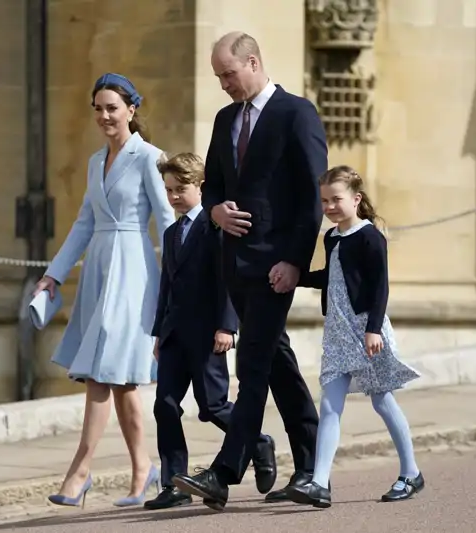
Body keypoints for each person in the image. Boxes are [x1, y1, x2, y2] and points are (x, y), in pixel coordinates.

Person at [171, 32, 324, 511]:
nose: (223, 85)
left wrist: (295, 261)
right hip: (235, 265)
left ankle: (224, 471)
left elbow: (310, 196)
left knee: (252, 363)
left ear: (253, 62)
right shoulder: (224, 119)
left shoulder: (296, 113)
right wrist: (213, 212)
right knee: (276, 360)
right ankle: (312, 465)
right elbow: (213, 184)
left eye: (228, 75)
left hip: (276, 266)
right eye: (218, 77)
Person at [35, 73, 176, 508]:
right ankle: (142, 469)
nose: (104, 115)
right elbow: (83, 223)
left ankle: (80, 471)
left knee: (100, 372)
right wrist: (53, 275)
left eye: (111, 107)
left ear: (132, 109)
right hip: (99, 268)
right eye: (97, 108)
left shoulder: (151, 158)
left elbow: (168, 220)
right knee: (121, 381)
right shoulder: (96, 162)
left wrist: (179, 279)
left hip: (134, 271)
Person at [287, 165, 424, 508]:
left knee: (381, 401)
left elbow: (380, 286)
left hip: (365, 329)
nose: (330, 207)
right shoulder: (332, 237)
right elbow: (332, 277)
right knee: (330, 404)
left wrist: (373, 328)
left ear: (356, 198)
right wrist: (297, 277)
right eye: (324, 201)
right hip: (337, 331)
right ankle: (319, 483)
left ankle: (411, 472)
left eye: (336, 199)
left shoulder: (370, 236)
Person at [145, 152, 276, 510]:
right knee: (165, 406)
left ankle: (259, 441)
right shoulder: (172, 233)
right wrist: (158, 333)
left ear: (201, 187)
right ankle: (175, 484)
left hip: (207, 334)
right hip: (173, 335)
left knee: (214, 406)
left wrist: (227, 326)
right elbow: (165, 288)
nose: (173, 196)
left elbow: (227, 280)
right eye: (168, 189)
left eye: (180, 189)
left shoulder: (215, 228)